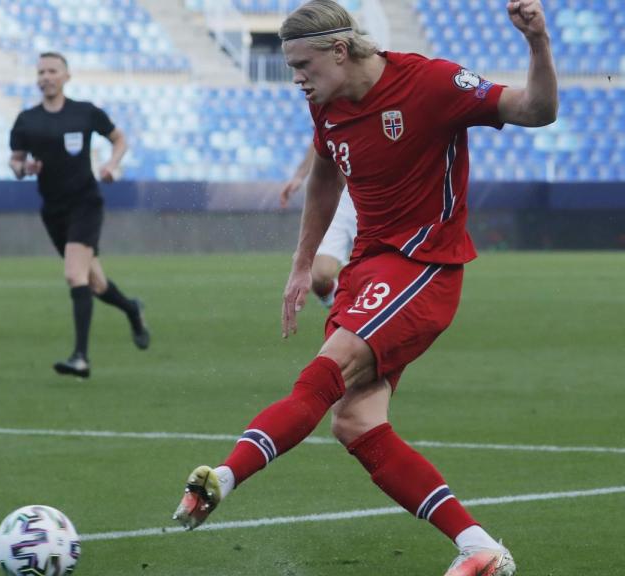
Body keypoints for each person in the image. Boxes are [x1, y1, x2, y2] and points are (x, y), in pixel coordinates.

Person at [173, 2, 557, 576]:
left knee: (324, 373)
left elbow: (536, 110)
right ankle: (478, 547)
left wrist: (538, 44)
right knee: (355, 423)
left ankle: (222, 476)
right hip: (371, 269)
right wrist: (303, 263)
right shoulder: (325, 107)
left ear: (339, 50)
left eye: (302, 64)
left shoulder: (431, 82)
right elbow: (326, 171)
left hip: (424, 265)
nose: (295, 77)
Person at [9, 52, 149, 379]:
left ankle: (80, 358)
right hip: (53, 211)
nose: (46, 76)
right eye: (41, 71)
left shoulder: (85, 112)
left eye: (52, 70)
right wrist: (22, 168)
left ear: (66, 76)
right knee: (95, 283)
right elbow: (15, 161)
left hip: (85, 204)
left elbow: (119, 139)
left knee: (75, 276)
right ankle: (133, 310)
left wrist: (112, 165)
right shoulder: (27, 120)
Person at [279, 144, 357, 308]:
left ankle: (360, 320)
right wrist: (300, 175)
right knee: (319, 277)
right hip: (338, 195)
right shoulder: (331, 118)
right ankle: (348, 311)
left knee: (372, 272)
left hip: (375, 195)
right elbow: (320, 140)